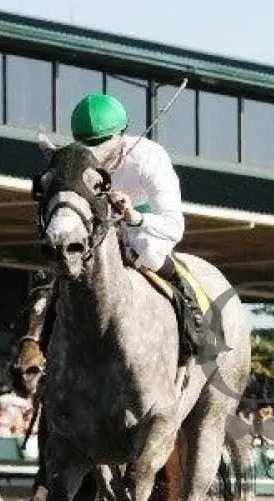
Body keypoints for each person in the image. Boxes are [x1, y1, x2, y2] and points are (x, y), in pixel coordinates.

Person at [67, 92, 203, 358]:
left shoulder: (149, 157)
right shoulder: (75, 159)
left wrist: (132, 216)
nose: (95, 154)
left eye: (103, 144)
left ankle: (191, 314)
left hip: (145, 230)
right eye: (87, 145)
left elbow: (174, 226)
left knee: (146, 250)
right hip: (99, 235)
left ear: (122, 135)